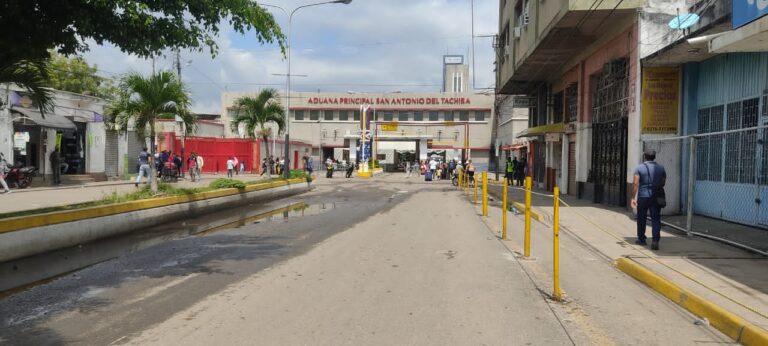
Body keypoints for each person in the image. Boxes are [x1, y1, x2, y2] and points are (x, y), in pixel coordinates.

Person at [631, 149, 666, 250]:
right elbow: (663, 182)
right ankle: (655, 240)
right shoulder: (661, 168)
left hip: (643, 196)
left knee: (641, 218)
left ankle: (641, 239)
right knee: (655, 219)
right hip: (656, 197)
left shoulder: (639, 168)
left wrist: (633, 198)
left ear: (645, 157)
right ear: (654, 157)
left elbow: (635, 183)